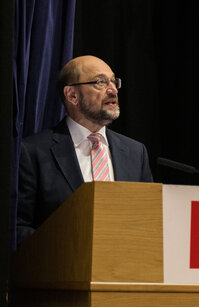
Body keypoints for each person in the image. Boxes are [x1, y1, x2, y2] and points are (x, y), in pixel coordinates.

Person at [16, 55, 153, 246]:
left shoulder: (135, 153)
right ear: (72, 95)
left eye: (114, 82)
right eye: (100, 82)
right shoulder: (33, 152)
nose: (113, 90)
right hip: (61, 271)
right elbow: (18, 229)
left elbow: (150, 223)